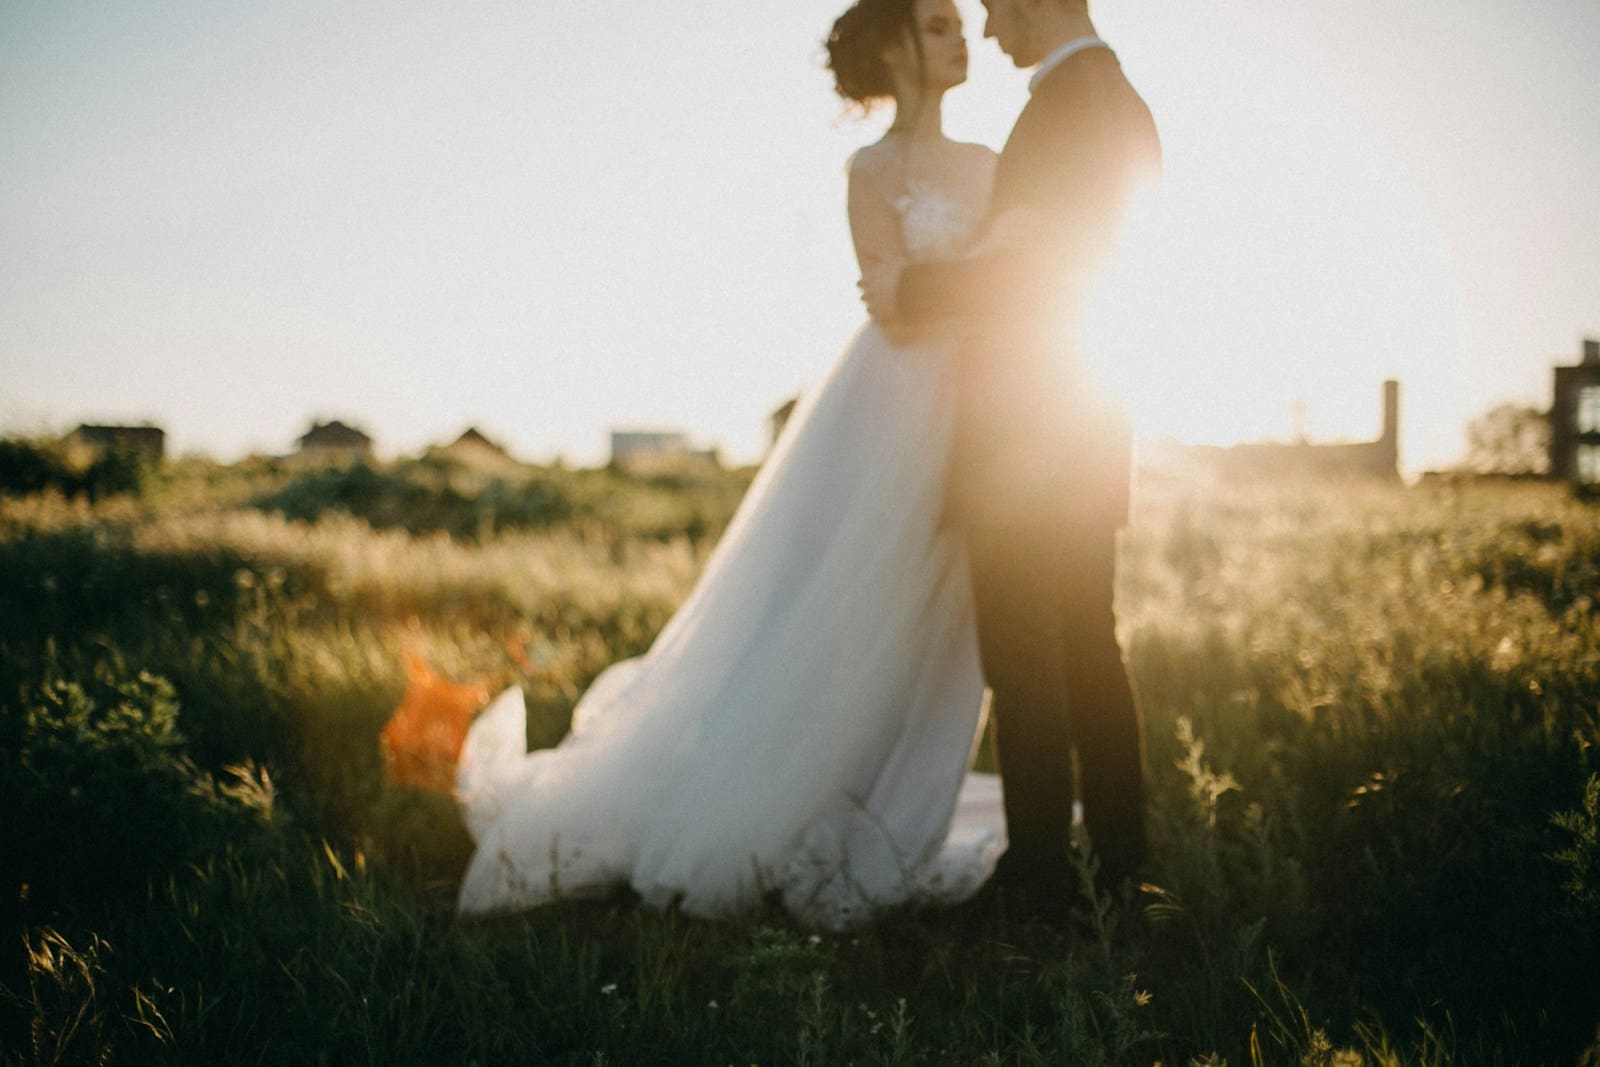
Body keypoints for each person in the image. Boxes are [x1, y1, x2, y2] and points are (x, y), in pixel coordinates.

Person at [454, 0, 1008, 930]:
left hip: (981, 410)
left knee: (946, 618)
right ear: (898, 49)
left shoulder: (994, 165)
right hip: (889, 415)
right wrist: (947, 296)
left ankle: (898, 801)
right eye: (940, 23)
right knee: (845, 605)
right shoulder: (868, 169)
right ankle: (791, 798)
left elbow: (970, 289)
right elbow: (891, 308)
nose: (961, 36)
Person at [860, 0, 1161, 896]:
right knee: (1088, 650)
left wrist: (912, 286)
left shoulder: (1070, 104)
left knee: (1029, 659)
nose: (990, 32)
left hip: (1029, 431)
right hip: (1082, 419)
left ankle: (1040, 879)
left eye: (994, 10)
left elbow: (1037, 271)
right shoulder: (1114, 99)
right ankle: (1121, 866)